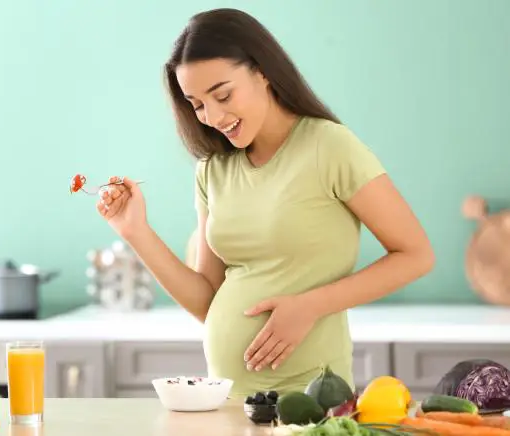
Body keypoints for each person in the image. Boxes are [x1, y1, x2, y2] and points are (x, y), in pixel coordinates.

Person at [95, 8, 435, 399]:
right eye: (198, 104)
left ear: (263, 71)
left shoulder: (329, 147)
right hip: (226, 398)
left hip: (311, 398)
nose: (213, 116)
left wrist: (310, 306)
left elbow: (416, 254)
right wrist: (135, 231)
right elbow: (208, 299)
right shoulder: (213, 169)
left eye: (223, 95)